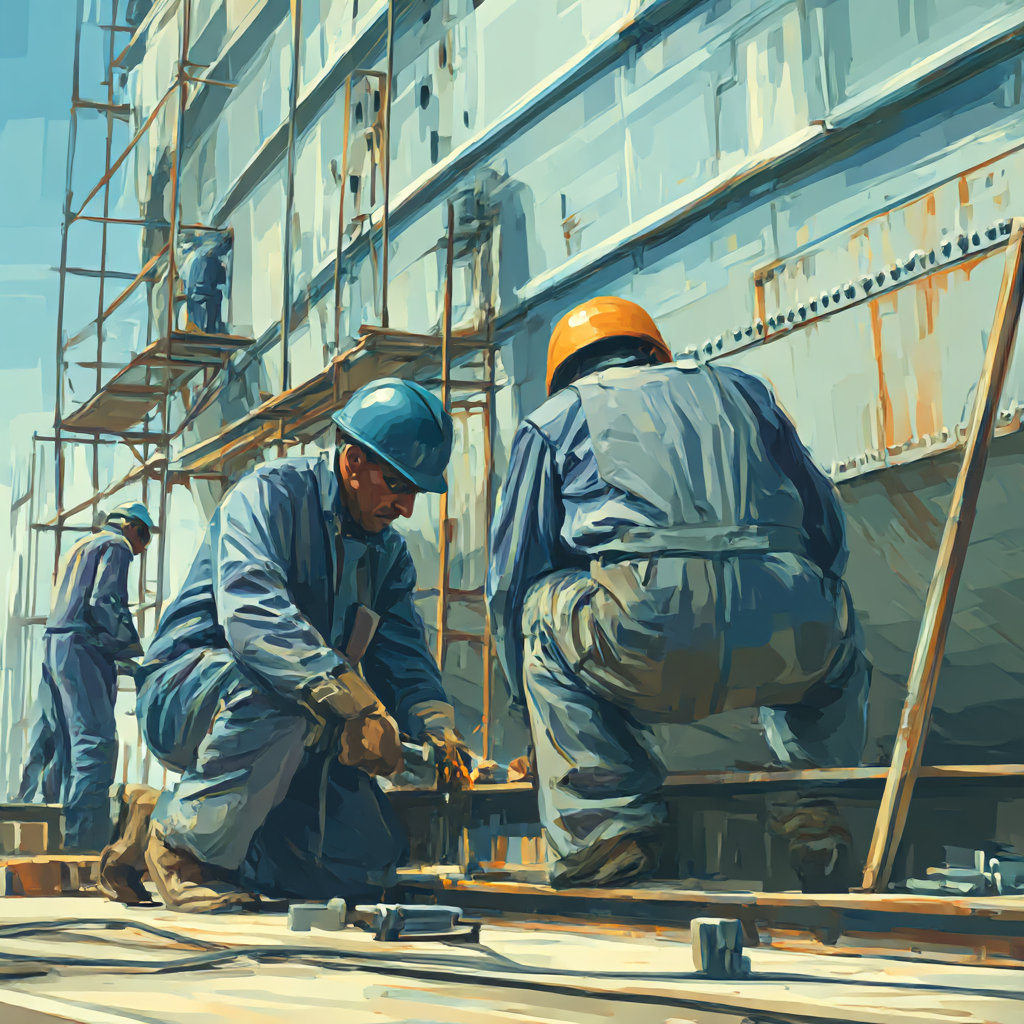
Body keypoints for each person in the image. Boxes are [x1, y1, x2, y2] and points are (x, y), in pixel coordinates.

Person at [487, 296, 871, 890]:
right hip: (786, 625)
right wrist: (800, 597)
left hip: (651, 632)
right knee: (835, 625)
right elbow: (826, 527)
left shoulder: (555, 418)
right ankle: (816, 806)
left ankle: (605, 831)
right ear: (653, 352)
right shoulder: (745, 390)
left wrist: (527, 715)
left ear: (564, 374)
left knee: (537, 612)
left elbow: (515, 575)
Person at [124, 379, 457, 912]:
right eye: (397, 485)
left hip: (298, 722)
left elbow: (405, 659)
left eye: (415, 492)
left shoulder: (387, 555)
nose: (406, 507)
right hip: (189, 692)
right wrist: (360, 705)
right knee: (280, 690)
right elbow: (254, 619)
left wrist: (436, 729)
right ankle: (183, 849)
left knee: (360, 865)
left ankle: (163, 816)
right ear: (352, 461)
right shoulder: (269, 495)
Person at [26, 503, 152, 852]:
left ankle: (30, 836)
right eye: (145, 537)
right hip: (83, 647)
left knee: (52, 741)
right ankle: (82, 847)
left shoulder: (80, 546)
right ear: (131, 528)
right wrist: (133, 654)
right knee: (94, 744)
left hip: (56, 644)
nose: (142, 549)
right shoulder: (116, 546)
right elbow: (104, 603)